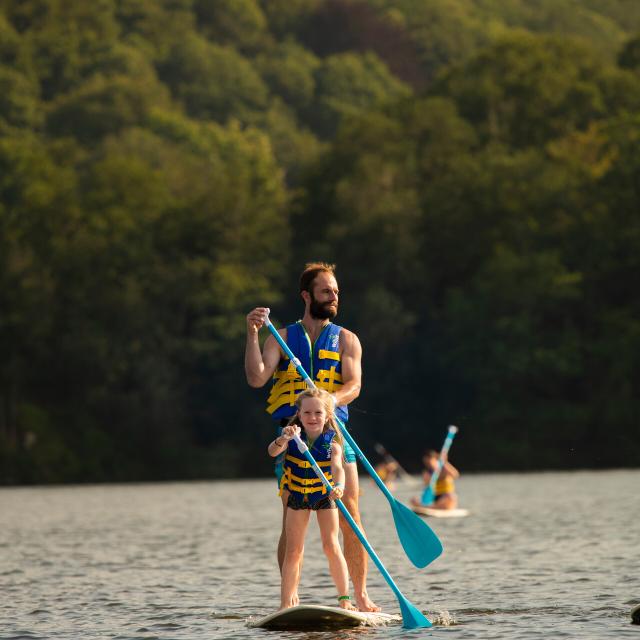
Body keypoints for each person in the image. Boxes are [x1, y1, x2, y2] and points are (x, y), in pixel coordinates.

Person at [245, 262, 380, 612]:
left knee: (350, 510)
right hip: (293, 436)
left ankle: (360, 595)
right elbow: (258, 377)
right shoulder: (283, 337)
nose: (333, 296)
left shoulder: (348, 339)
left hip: (334, 434)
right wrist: (253, 333)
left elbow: (354, 385)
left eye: (335, 291)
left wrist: (329, 400)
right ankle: (288, 599)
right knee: (292, 514)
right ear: (307, 295)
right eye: (326, 291)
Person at [268, 388, 357, 611]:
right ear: (299, 413)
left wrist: (339, 487)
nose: (312, 417)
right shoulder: (291, 437)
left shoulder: (333, 443)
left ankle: (344, 599)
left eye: (318, 413)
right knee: (294, 550)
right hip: (297, 496)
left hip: (324, 497)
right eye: (307, 412)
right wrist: (283, 438)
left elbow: (338, 469)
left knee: (331, 546)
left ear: (327, 415)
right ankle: (286, 602)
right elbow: (272, 452)